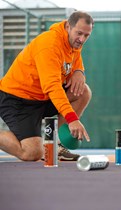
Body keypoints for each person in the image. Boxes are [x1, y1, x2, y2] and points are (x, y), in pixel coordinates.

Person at [0, 11, 93, 161]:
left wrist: (79, 71)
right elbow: (52, 87)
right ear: (68, 26)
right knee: (32, 153)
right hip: (18, 100)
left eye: (86, 35)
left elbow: (75, 58)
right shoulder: (49, 45)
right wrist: (72, 119)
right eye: (79, 33)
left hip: (42, 97)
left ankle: (56, 146)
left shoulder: (72, 41)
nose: (82, 39)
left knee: (83, 92)